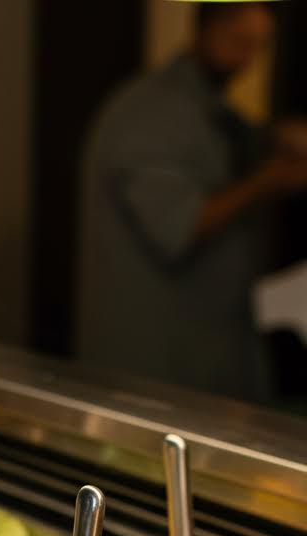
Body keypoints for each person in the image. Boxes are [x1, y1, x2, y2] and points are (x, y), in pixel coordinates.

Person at [76, 1, 307, 402]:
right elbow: (180, 225)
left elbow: (238, 142)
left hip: (207, 355)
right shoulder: (151, 112)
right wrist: (269, 182)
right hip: (155, 365)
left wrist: (276, 136)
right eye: (238, 40)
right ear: (205, 27)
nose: (247, 57)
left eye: (258, 45)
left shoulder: (208, 110)